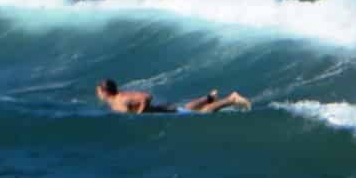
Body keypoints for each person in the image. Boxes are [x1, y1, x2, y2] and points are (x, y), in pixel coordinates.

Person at [95, 79, 250, 114]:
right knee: (186, 108)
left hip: (163, 112)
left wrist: (140, 114)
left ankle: (231, 99)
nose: (97, 94)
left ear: (104, 91)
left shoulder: (121, 99)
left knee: (203, 113)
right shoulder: (114, 101)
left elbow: (146, 96)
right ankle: (209, 97)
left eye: (98, 91)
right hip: (165, 110)